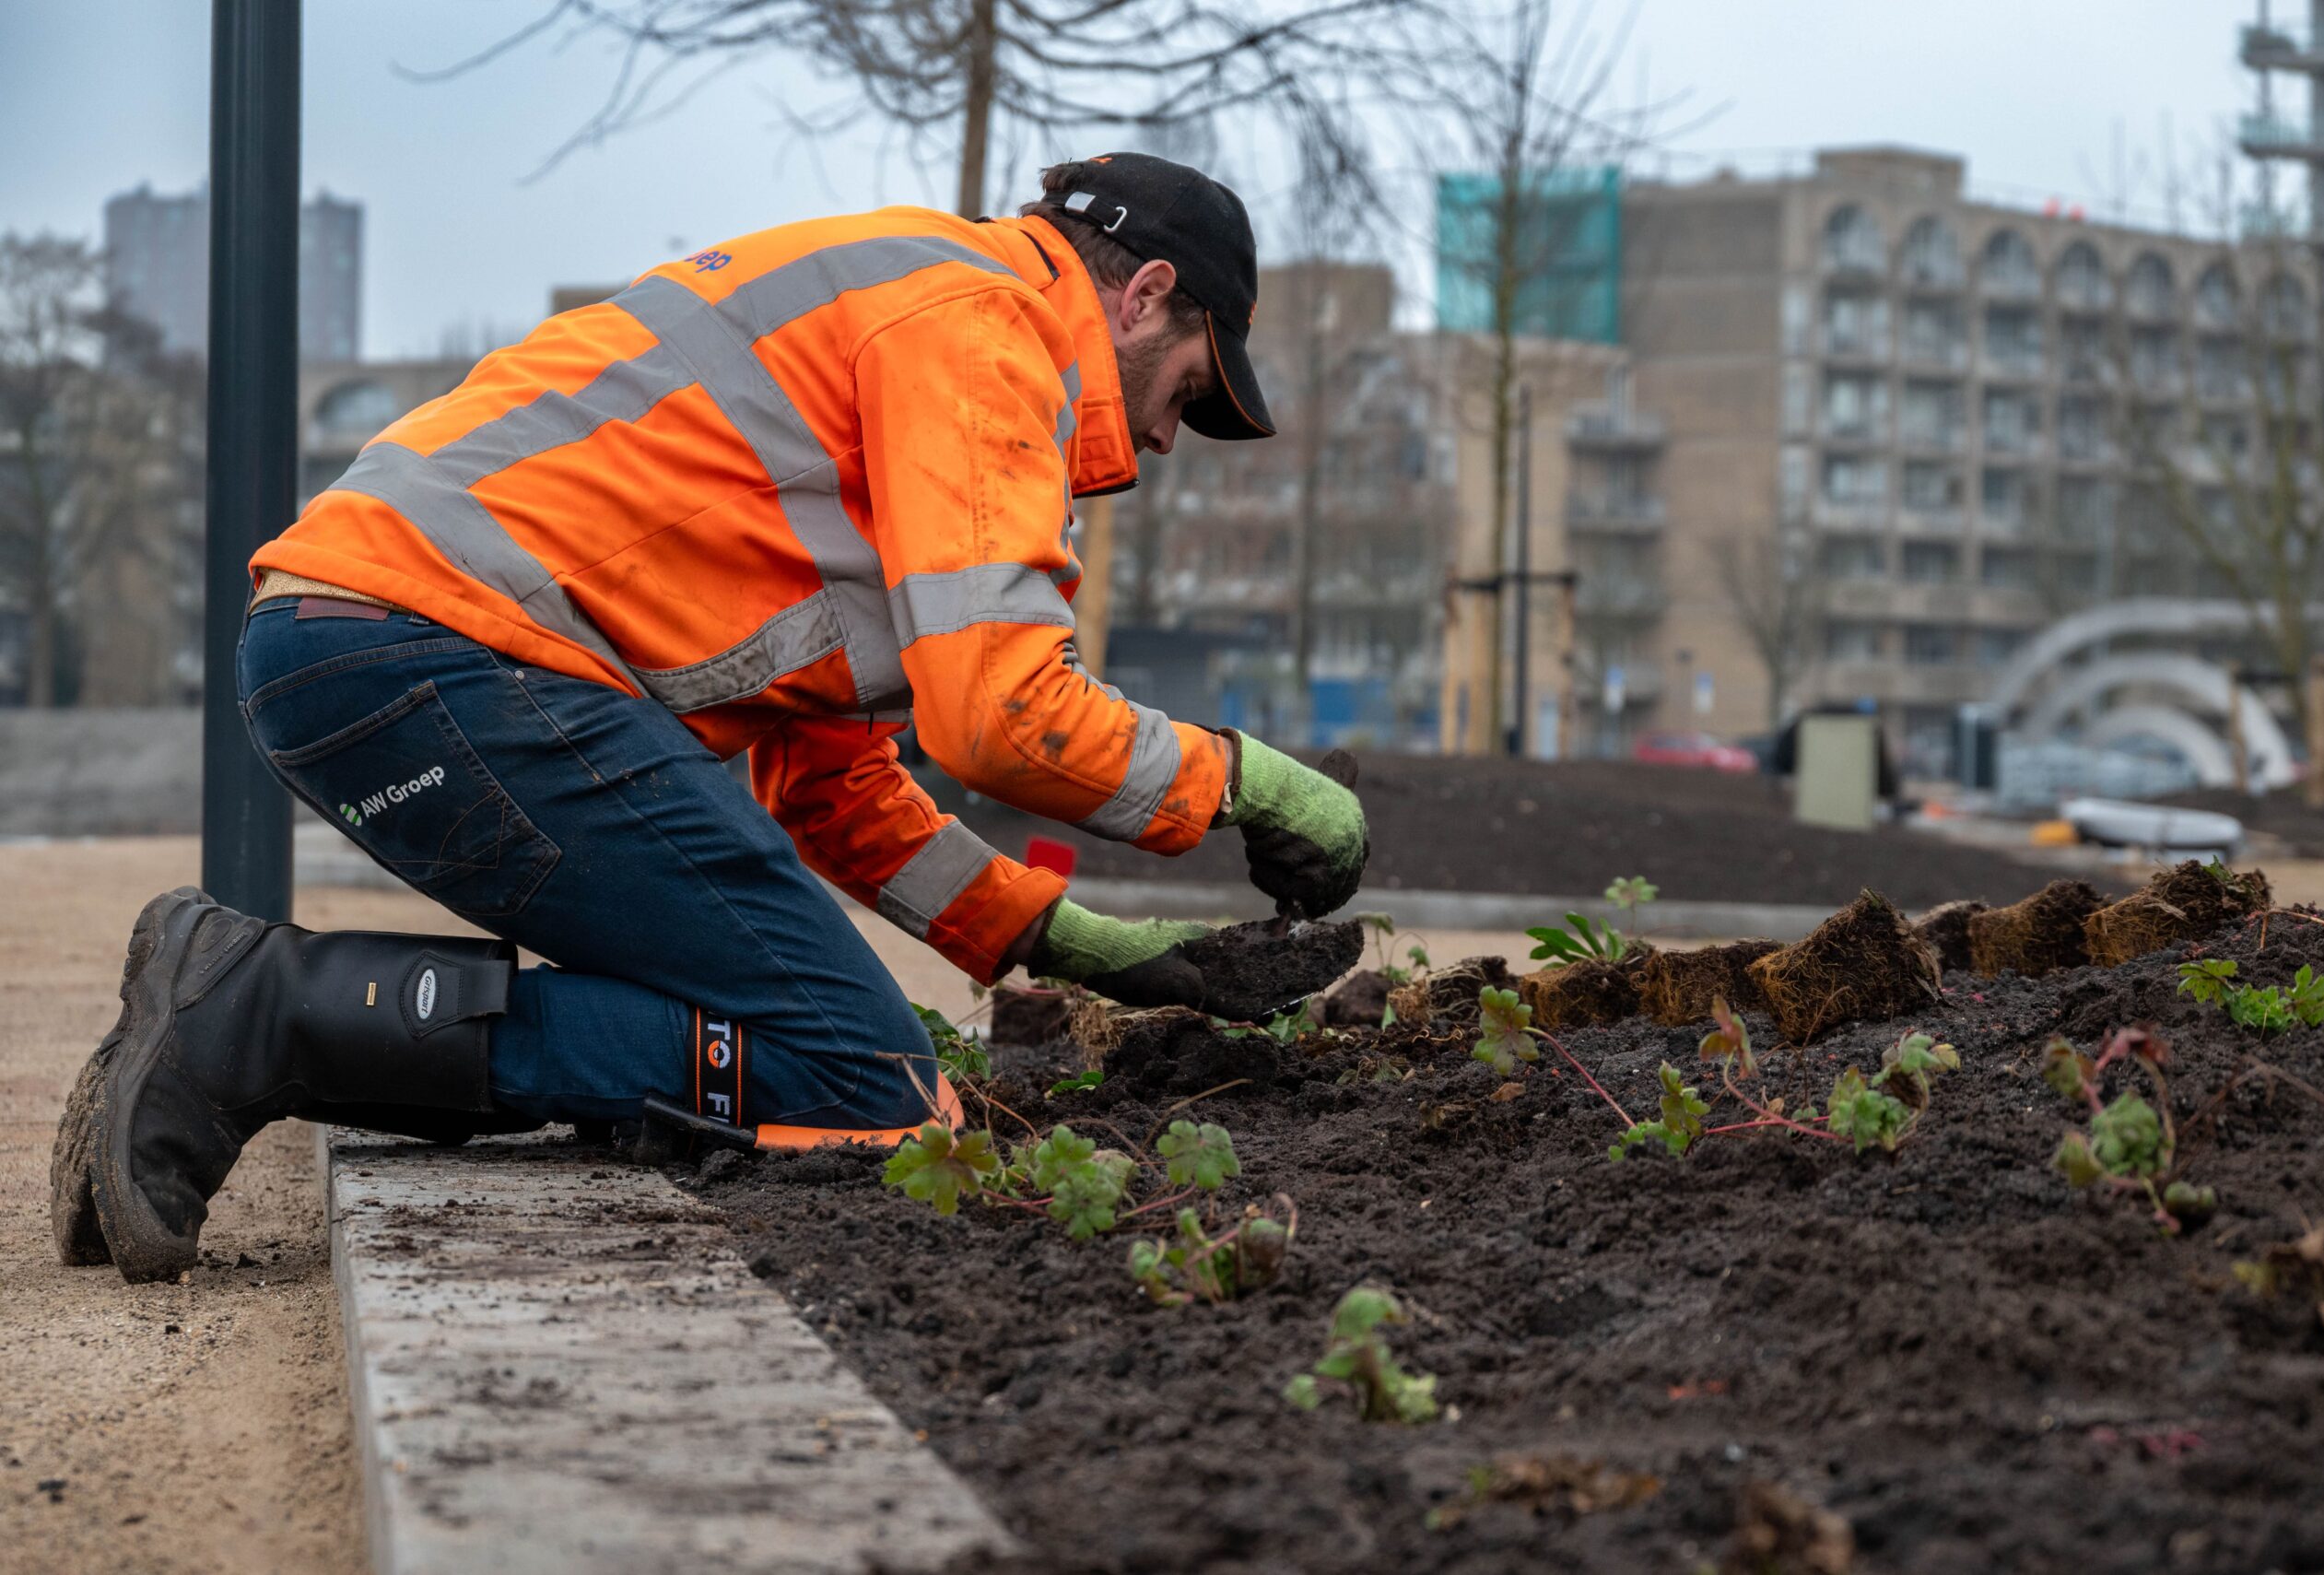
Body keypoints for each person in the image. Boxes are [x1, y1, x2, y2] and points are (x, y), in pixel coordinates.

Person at [53, 154, 1368, 1285]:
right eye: (1193, 387)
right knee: (863, 1077)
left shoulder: (910, 300)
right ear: (1144, 297)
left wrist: (1060, 937)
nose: (1174, 436)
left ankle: (248, 1015)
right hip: (446, 652)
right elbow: (1001, 715)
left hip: (360, 646)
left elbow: (828, 778)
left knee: (824, 1037)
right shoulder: (986, 333)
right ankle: (261, 1009)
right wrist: (1251, 782)